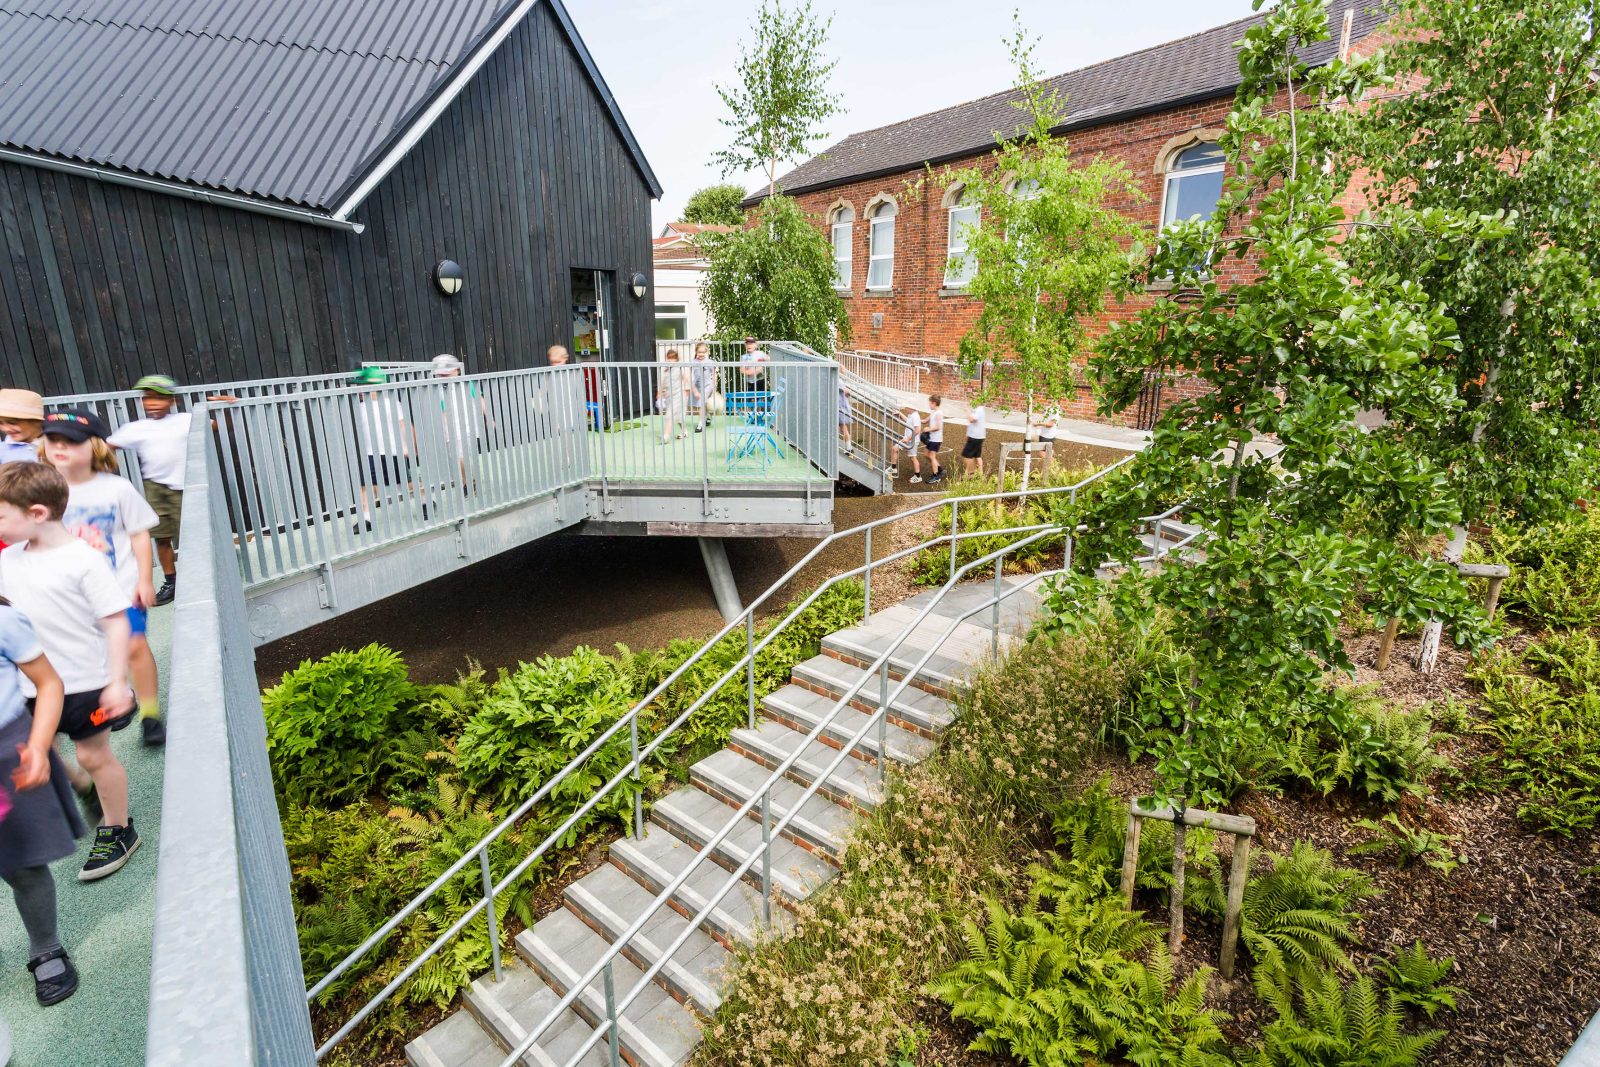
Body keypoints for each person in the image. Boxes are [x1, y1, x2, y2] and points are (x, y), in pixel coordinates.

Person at [0, 461, 138, 882]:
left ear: (37, 513)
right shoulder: (9, 561)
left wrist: (117, 682)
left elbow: (116, 621)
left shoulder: (83, 559)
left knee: (92, 754)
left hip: (88, 683)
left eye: (2, 515)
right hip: (32, 683)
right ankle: (81, 789)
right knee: (48, 748)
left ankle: (118, 828)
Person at [43, 411, 165, 748]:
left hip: (120, 586)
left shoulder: (117, 489)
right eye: (54, 440)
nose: (60, 447)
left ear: (95, 446)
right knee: (94, 651)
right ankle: (120, 696)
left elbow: (139, 534)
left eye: (71, 441)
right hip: (72, 594)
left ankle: (151, 714)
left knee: (135, 646)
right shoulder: (42, 490)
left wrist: (144, 579)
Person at [0, 596, 83, 1005]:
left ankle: (45, 947)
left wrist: (36, 745)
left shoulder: (4, 621)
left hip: (9, 750)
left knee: (24, 865)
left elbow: (49, 683)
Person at [102, 375, 188, 607]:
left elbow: (215, 424)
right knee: (161, 537)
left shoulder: (185, 420)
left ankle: (197, 578)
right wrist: (101, 466)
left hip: (186, 487)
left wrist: (229, 406)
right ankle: (171, 581)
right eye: (148, 398)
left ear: (172, 401)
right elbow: (107, 446)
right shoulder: (137, 428)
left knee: (191, 536)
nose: (152, 403)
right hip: (155, 488)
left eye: (159, 398)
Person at [351, 366, 421, 534]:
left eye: (363, 386)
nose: (360, 390)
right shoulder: (360, 407)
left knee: (408, 482)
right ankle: (365, 519)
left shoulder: (391, 404)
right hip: (371, 453)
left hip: (393, 451)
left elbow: (405, 425)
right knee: (367, 486)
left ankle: (425, 501)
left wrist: (410, 446)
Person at [655, 349, 699, 444]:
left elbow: (687, 379)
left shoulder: (680, 367)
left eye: (673, 358)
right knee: (679, 416)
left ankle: (666, 436)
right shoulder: (666, 368)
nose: (671, 360)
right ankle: (685, 431)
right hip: (669, 395)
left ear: (676, 358)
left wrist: (694, 391)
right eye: (669, 358)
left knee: (670, 415)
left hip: (680, 394)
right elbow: (663, 381)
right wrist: (659, 392)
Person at [0, 390, 45, 467]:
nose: (6, 429)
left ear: (36, 421)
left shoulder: (53, 446)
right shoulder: (2, 450)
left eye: (12, 422)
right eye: (0, 423)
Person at [917, 394, 945, 485]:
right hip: (932, 438)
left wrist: (928, 429)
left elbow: (937, 427)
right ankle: (940, 469)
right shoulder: (933, 412)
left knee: (932, 456)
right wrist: (916, 419)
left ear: (934, 403)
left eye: (929, 403)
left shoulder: (939, 413)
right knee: (926, 454)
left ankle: (936, 476)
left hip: (936, 439)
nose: (929, 405)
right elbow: (925, 420)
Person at [889, 404, 921, 482]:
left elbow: (918, 430)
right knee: (895, 448)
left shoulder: (916, 416)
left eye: (907, 407)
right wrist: (900, 414)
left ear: (912, 407)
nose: (906, 408)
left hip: (912, 440)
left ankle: (918, 476)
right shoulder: (911, 415)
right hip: (906, 439)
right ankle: (893, 468)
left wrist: (908, 438)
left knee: (913, 458)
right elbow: (907, 421)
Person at [689, 342, 717, 432]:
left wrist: (714, 385)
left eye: (703, 352)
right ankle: (708, 416)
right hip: (698, 386)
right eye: (699, 352)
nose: (701, 354)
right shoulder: (693, 362)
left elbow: (714, 374)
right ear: (696, 352)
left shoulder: (709, 362)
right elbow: (689, 374)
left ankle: (700, 424)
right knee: (702, 403)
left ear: (706, 352)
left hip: (708, 385)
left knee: (701, 403)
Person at [962, 401, 988, 476]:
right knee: (977, 456)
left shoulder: (979, 409)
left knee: (967, 456)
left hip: (975, 437)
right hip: (978, 436)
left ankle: (971, 474)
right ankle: (980, 475)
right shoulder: (978, 409)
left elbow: (972, 419)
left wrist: (966, 409)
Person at [1033, 408, 1059, 473]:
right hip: (1044, 435)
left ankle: (1055, 468)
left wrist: (1039, 423)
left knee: (1042, 454)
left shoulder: (1055, 410)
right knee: (1046, 454)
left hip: (1048, 436)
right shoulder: (1049, 408)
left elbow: (1050, 424)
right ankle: (1045, 471)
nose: (1049, 399)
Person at [838, 386, 854, 452]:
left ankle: (849, 448)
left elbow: (846, 391)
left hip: (841, 409)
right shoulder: (839, 381)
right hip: (841, 408)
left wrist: (846, 391)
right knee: (843, 428)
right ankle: (849, 448)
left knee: (843, 428)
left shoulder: (838, 381)